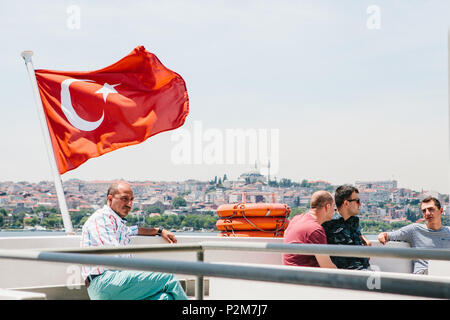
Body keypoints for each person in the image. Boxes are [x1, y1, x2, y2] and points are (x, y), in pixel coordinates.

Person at [81, 181, 188, 300]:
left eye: (131, 199)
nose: (129, 204)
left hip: (118, 285)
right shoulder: (101, 219)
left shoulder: (117, 223)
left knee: (165, 298)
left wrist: (159, 231)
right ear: (110, 199)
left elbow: (134, 230)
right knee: (167, 278)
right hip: (104, 282)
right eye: (124, 199)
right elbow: (115, 256)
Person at [378, 196, 450, 275]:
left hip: (444, 274)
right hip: (424, 276)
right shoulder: (415, 230)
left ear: (441, 211)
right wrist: (382, 235)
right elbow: (389, 235)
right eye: (424, 211)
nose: (427, 213)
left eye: (431, 209)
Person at [283, 190, 337, 268]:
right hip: (306, 277)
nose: (334, 211)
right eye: (333, 207)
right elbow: (327, 266)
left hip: (290, 274)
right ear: (327, 207)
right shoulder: (315, 229)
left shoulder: (296, 219)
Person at [322, 185, 371, 270]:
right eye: (357, 201)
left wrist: (363, 239)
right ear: (346, 203)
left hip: (365, 269)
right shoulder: (329, 223)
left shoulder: (354, 221)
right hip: (347, 274)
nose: (360, 204)